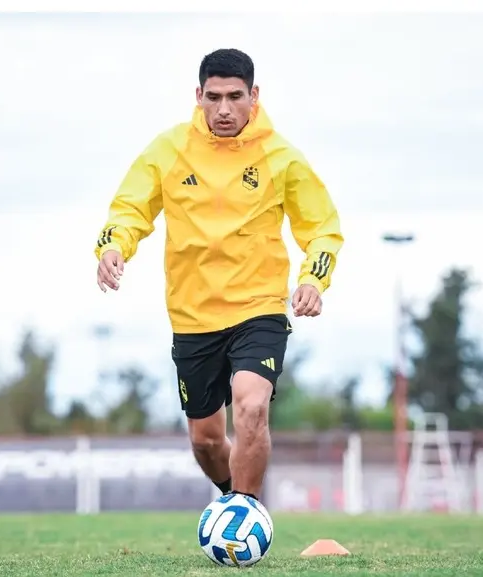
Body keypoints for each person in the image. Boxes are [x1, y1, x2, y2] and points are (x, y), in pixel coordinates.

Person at [93, 49, 343, 505]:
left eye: (234, 97)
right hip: (193, 317)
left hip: (259, 308)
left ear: (254, 96)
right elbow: (129, 210)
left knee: (250, 407)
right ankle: (235, 498)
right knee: (206, 442)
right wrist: (112, 246)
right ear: (198, 96)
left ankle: (245, 515)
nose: (224, 109)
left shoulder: (282, 157)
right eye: (213, 97)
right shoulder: (168, 150)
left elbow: (323, 230)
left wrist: (313, 280)